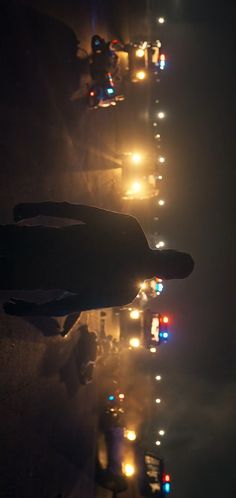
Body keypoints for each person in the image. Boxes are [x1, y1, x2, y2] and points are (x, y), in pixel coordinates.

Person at [1, 202, 194, 316]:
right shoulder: (126, 292)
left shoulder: (130, 228)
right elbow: (72, 305)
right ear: (165, 277)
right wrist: (33, 310)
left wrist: (37, 208)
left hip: (31, 242)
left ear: (167, 251)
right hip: (25, 275)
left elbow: (78, 211)